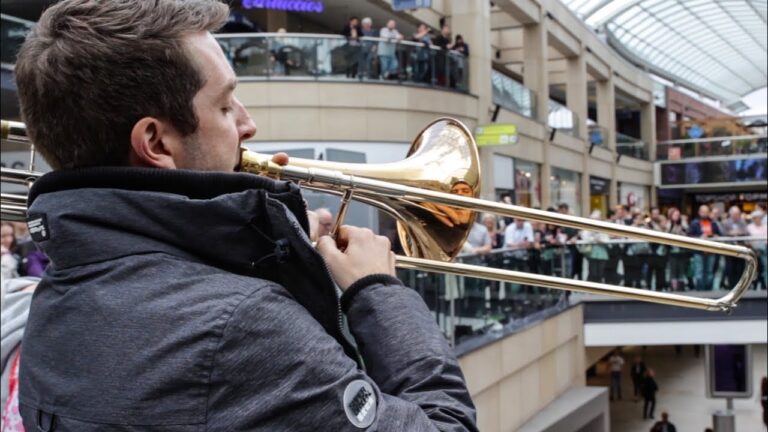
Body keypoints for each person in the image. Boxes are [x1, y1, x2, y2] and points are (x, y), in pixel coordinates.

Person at [14, 1, 478, 430]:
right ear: (156, 143)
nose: (247, 124)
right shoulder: (243, 325)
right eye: (224, 105)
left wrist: (280, 256)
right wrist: (377, 291)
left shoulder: (54, 299)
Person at [689, 204, 721, 291]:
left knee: (709, 271)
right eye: (703, 211)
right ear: (699, 212)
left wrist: (715, 236)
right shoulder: (694, 223)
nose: (705, 213)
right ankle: (700, 290)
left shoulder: (713, 223)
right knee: (699, 271)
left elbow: (719, 234)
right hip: (699, 251)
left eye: (706, 211)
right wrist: (700, 237)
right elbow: (690, 236)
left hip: (711, 250)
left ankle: (709, 290)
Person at [580, 211, 610, 283]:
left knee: (600, 271)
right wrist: (593, 239)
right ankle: (591, 285)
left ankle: (598, 284)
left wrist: (601, 241)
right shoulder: (588, 228)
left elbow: (607, 238)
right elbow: (584, 236)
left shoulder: (603, 227)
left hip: (602, 252)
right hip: (592, 251)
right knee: (592, 270)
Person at [722, 206, 748, 288]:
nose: (736, 216)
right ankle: (731, 285)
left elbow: (746, 232)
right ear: (730, 214)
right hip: (730, 248)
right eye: (734, 214)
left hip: (741, 247)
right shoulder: (725, 223)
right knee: (730, 267)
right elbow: (722, 233)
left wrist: (739, 232)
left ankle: (740, 285)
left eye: (738, 214)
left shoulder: (743, 222)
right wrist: (730, 233)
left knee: (740, 267)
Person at [747, 210, 767, 289]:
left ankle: (764, 284)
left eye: (759, 218)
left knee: (764, 267)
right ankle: (753, 285)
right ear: (753, 219)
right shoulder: (749, 227)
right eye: (756, 218)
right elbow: (749, 239)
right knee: (753, 268)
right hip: (753, 250)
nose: (758, 219)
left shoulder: (765, 226)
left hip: (764, 250)